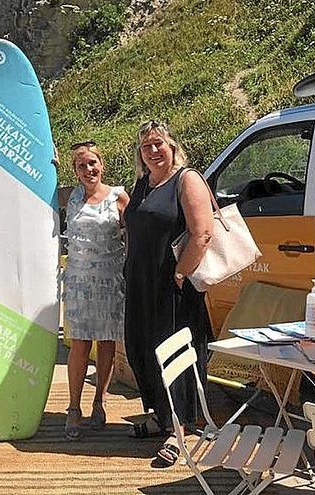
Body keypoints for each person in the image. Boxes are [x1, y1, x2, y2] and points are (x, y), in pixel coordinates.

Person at [123, 120, 214, 467]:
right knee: (144, 350)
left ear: (173, 146)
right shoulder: (144, 183)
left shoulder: (186, 179)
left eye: (159, 143)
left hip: (173, 286)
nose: (154, 151)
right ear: (140, 154)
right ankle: (161, 416)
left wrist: (179, 272)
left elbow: (202, 233)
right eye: (147, 146)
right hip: (142, 283)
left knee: (175, 357)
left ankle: (179, 430)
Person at [62, 141, 129, 441]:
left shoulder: (119, 196)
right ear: (75, 171)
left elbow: (134, 234)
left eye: (93, 163)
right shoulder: (69, 197)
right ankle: (73, 408)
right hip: (78, 281)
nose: (88, 169)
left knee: (106, 343)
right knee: (79, 344)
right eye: (81, 165)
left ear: (102, 165)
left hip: (110, 279)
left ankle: (99, 401)